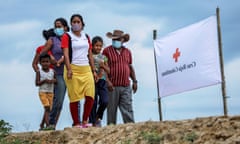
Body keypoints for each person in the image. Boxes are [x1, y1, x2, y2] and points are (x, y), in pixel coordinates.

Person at [61, 14, 96, 128]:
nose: (76, 24)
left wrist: (93, 70)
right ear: (71, 24)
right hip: (73, 68)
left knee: (90, 95)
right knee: (74, 96)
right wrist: (69, 69)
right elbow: (65, 54)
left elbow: (90, 54)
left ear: (82, 23)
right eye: (74, 22)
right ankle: (76, 122)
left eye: (78, 22)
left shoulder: (86, 36)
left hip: (86, 68)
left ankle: (85, 121)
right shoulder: (67, 36)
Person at [103, 30, 138, 125]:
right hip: (112, 86)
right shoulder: (107, 51)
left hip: (126, 85)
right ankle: (111, 130)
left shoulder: (127, 52)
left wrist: (135, 81)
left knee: (128, 109)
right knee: (111, 111)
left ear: (123, 40)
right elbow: (103, 67)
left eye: (118, 39)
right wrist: (107, 81)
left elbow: (130, 66)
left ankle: (131, 128)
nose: (116, 41)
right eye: (114, 39)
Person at [41, 18, 69, 130]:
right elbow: (42, 52)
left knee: (74, 100)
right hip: (58, 73)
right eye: (56, 26)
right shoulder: (52, 39)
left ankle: (78, 123)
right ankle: (51, 123)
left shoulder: (70, 39)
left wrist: (64, 58)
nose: (58, 28)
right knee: (58, 100)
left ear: (66, 28)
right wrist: (50, 56)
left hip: (70, 72)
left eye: (60, 26)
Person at [89, 36, 110, 127]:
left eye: (100, 46)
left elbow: (108, 70)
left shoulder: (104, 57)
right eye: (96, 45)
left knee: (105, 101)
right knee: (92, 102)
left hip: (102, 81)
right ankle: (92, 121)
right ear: (92, 46)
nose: (98, 47)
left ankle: (98, 116)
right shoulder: (89, 56)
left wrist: (103, 66)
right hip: (92, 80)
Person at [35, 53, 57, 130]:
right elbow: (37, 83)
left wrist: (53, 81)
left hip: (50, 92)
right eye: (43, 62)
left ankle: (42, 125)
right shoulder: (39, 72)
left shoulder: (52, 71)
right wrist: (44, 81)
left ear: (50, 62)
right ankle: (47, 125)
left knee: (48, 109)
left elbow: (56, 81)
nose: (45, 63)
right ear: (40, 63)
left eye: (47, 61)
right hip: (42, 92)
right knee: (47, 107)